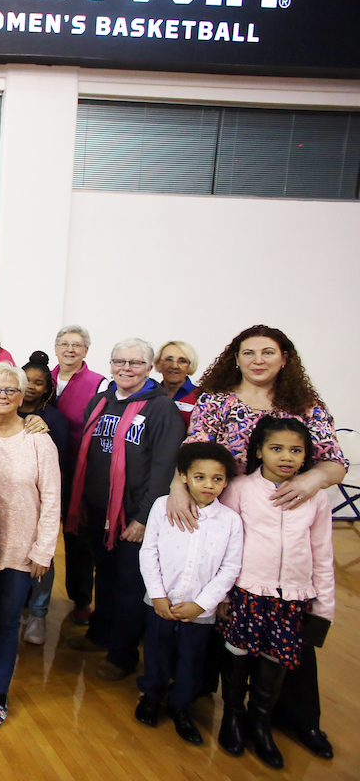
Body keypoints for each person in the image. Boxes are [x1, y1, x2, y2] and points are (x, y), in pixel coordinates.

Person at [174, 325, 346, 760]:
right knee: (228, 626)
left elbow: (335, 462)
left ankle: (292, 718)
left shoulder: (305, 405)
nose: (257, 360)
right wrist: (180, 486)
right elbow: (193, 449)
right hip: (227, 514)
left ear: (285, 357)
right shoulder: (217, 400)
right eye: (247, 352)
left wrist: (308, 479)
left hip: (290, 519)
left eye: (268, 352)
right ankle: (218, 710)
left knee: (289, 642)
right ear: (235, 357)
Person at [213, 417, 335, 769]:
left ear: (306, 456)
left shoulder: (317, 498)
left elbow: (322, 553)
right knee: (238, 657)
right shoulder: (240, 489)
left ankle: (260, 722)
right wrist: (223, 596)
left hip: (293, 598)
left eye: (295, 450)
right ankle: (233, 717)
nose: (286, 457)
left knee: (275, 662)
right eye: (276, 449)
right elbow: (228, 547)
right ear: (259, 451)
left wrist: (323, 606)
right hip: (247, 593)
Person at [66, 338, 185, 682]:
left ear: (149, 368)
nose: (126, 369)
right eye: (119, 362)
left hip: (134, 516)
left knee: (130, 585)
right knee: (104, 577)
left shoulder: (161, 410)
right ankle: (100, 634)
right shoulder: (101, 400)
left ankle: (123, 654)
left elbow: (164, 468)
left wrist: (143, 518)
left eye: (135, 363)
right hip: (98, 510)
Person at [0, 363, 61, 729]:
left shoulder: (39, 440)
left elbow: (52, 499)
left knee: (6, 620)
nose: (2, 396)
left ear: (22, 395)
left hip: (20, 550)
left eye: (10, 390)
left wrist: (43, 550)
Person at [135, 442, 242, 746]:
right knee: (157, 653)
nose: (209, 485)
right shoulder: (162, 506)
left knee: (191, 662)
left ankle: (181, 706)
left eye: (217, 479)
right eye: (200, 477)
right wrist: (157, 595)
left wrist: (202, 604)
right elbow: (149, 552)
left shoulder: (230, 521)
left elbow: (230, 568)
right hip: (161, 603)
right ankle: (151, 696)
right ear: (183, 476)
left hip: (200, 611)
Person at [51, 325, 108, 626]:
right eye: (64, 343)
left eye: (77, 345)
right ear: (56, 347)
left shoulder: (98, 384)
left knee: (78, 537)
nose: (70, 349)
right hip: (44, 470)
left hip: (78, 471)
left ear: (86, 350)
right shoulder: (41, 379)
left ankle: (82, 598)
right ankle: (31, 597)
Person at [17, 351, 71, 645]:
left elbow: (58, 467)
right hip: (12, 499)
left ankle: (38, 614)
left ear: (48, 388)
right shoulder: (6, 410)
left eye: (38, 382)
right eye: (26, 380)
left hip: (41, 502)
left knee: (41, 557)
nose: (31, 386)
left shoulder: (54, 420)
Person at [156, 340, 200, 426]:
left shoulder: (201, 397)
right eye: (168, 359)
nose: (174, 366)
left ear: (190, 366)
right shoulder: (148, 395)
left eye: (182, 361)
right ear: (158, 364)